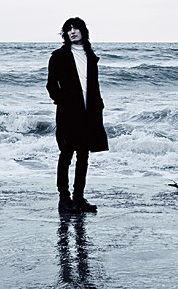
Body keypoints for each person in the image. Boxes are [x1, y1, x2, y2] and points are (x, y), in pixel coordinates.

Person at [46, 17, 108, 213]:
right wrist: (63, 102)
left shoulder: (91, 56)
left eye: (75, 28)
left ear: (83, 31)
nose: (72, 32)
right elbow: (51, 85)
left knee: (83, 155)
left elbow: (93, 86)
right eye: (68, 29)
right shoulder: (59, 56)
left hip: (89, 112)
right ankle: (64, 199)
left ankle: (79, 197)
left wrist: (98, 106)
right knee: (66, 154)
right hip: (68, 113)